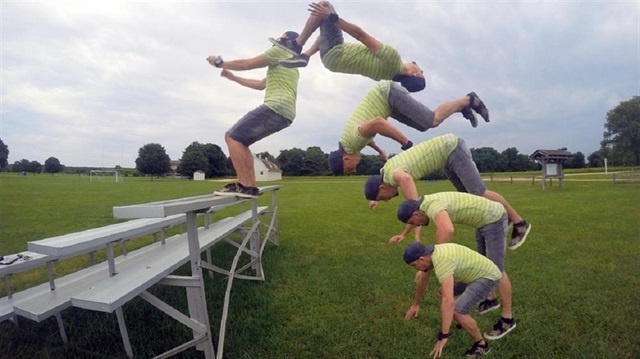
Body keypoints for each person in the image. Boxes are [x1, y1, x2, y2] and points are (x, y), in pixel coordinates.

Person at [364, 133, 532, 249]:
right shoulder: (385, 173)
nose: (386, 200)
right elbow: (380, 186)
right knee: (470, 198)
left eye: (382, 197)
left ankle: (519, 223)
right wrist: (375, 198)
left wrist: (412, 235)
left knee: (478, 193)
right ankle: (503, 218)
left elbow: (416, 207)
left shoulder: (395, 176)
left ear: (382, 187)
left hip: (451, 149)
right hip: (447, 157)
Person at [397, 192, 518, 341]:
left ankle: (507, 320)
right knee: (486, 265)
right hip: (483, 222)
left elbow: (448, 230)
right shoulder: (426, 203)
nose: (418, 225)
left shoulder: (432, 206)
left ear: (416, 214)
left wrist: (437, 257)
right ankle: (489, 301)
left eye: (415, 222)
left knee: (497, 270)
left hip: (494, 218)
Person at [206, 31, 300, 198]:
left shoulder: (279, 51)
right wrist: (233, 78)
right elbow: (260, 85)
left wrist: (220, 63)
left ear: (288, 41)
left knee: (231, 136)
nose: (278, 39)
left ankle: (243, 185)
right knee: (241, 142)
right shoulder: (291, 63)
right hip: (286, 115)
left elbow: (247, 63)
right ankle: (251, 186)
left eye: (283, 37)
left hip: (275, 107)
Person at [328, 80, 489, 175]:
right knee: (424, 126)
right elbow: (367, 136)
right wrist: (380, 151)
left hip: (388, 94)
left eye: (348, 169)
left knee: (431, 120)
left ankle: (469, 100)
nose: (353, 171)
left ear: (345, 158)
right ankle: (462, 107)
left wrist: (406, 144)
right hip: (388, 103)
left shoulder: (352, 142)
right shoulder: (350, 144)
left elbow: (378, 123)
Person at [269, 1, 433, 95]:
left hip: (336, 51)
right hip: (331, 62)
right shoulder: (387, 74)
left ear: (413, 73)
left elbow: (361, 35)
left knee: (324, 5)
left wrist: (332, 17)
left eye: (421, 73)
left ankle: (297, 44)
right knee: (322, 36)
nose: (422, 69)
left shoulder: (392, 59)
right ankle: (305, 56)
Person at [402, 242, 501, 358]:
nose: (416, 269)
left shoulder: (442, 261)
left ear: (422, 259)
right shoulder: (432, 255)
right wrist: (415, 305)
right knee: (442, 292)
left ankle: (481, 345)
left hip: (487, 277)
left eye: (414, 265)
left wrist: (443, 336)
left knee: (457, 310)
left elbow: (448, 301)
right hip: (472, 273)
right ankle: (461, 321)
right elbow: (423, 281)